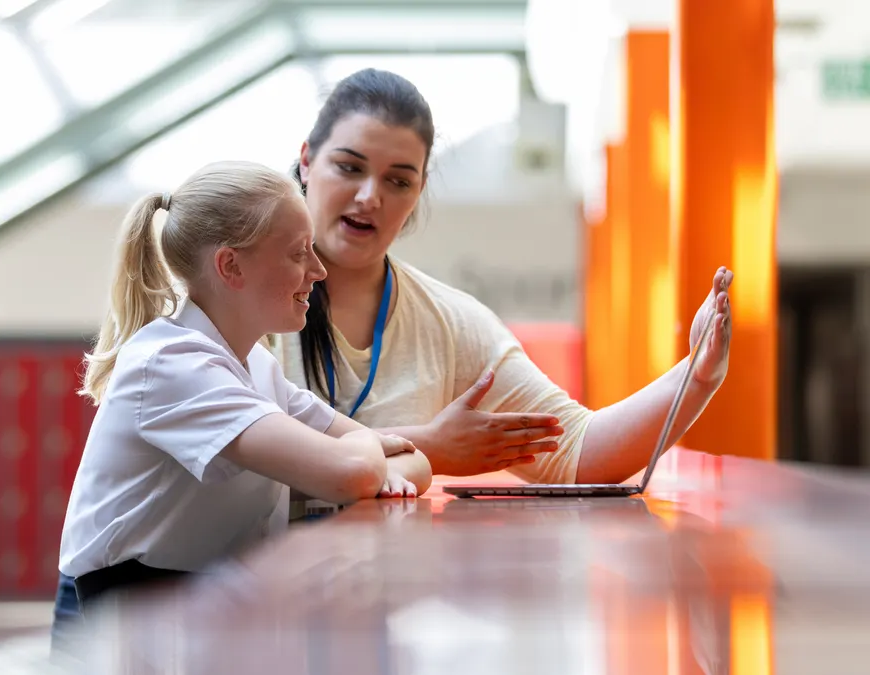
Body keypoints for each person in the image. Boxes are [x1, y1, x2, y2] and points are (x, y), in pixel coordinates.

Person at [262, 68, 734, 486]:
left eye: (398, 180)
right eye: (349, 167)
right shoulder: (243, 291)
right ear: (307, 160)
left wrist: (695, 376)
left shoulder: (450, 322)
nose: (370, 196)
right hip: (243, 581)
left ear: (420, 189)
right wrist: (429, 447)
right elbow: (244, 441)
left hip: (390, 579)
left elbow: (573, 451)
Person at [51, 161, 432, 653]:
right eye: (299, 254)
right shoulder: (171, 364)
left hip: (203, 612)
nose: (318, 272)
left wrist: (370, 457)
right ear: (231, 266)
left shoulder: (256, 365)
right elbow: (350, 474)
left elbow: (413, 460)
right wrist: (366, 454)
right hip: (132, 621)